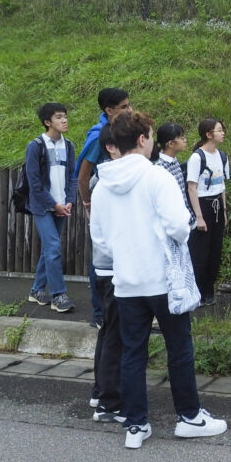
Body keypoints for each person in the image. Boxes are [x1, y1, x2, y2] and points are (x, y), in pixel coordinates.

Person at [89, 110, 228, 449]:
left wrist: (127, 253)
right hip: (164, 280)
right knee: (179, 347)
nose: (152, 142)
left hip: (126, 281)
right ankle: (189, 417)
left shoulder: (103, 184)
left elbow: (100, 240)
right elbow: (179, 226)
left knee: (132, 352)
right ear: (142, 140)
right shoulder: (157, 177)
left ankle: (136, 425)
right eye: (151, 136)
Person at [75, 87, 132, 328]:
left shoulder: (122, 129)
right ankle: (99, 313)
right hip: (103, 203)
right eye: (124, 107)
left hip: (121, 203)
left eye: (129, 105)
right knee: (101, 258)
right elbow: (83, 176)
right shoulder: (100, 136)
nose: (130, 110)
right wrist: (88, 205)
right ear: (109, 110)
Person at [25, 102, 78, 313]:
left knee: (50, 248)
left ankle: (37, 290)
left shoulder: (69, 145)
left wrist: (69, 200)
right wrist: (53, 204)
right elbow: (34, 183)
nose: (64, 120)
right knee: (54, 247)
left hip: (62, 205)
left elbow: (72, 177)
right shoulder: (36, 146)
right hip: (43, 206)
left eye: (65, 116)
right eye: (59, 117)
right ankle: (58, 295)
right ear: (48, 122)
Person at [89, 124, 124, 422]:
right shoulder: (108, 182)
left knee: (109, 330)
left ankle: (101, 391)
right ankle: (108, 401)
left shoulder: (106, 179)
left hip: (107, 266)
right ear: (111, 147)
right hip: (112, 267)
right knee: (115, 333)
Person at [186, 119, 230, 307]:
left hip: (217, 206)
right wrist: (199, 216)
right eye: (219, 130)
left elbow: (222, 186)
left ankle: (208, 291)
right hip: (202, 206)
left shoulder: (222, 156)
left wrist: (224, 211)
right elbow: (192, 188)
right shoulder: (197, 157)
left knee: (215, 251)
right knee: (200, 253)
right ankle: (195, 292)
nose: (223, 133)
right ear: (208, 134)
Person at [152, 122, 196, 229]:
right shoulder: (160, 167)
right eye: (181, 138)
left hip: (186, 220)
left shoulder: (173, 160)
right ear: (171, 144)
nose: (185, 140)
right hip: (175, 225)